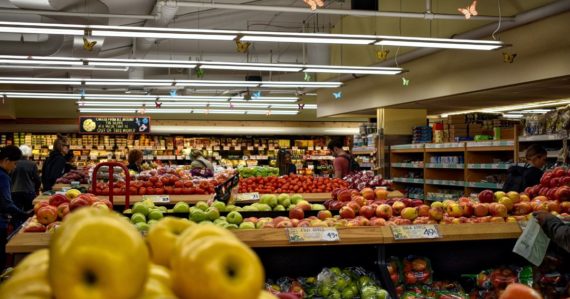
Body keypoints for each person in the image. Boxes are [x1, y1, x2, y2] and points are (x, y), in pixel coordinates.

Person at [0, 145, 28, 269]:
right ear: (6, 160)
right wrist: (24, 214)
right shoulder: (3, 176)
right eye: (14, 163)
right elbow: (6, 203)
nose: (15, 167)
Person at [10, 145, 40, 225]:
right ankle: (28, 228)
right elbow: (37, 179)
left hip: (14, 191)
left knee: (16, 213)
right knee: (30, 213)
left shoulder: (13, 163)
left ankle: (16, 231)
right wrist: (37, 190)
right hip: (29, 191)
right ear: (29, 153)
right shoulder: (32, 164)